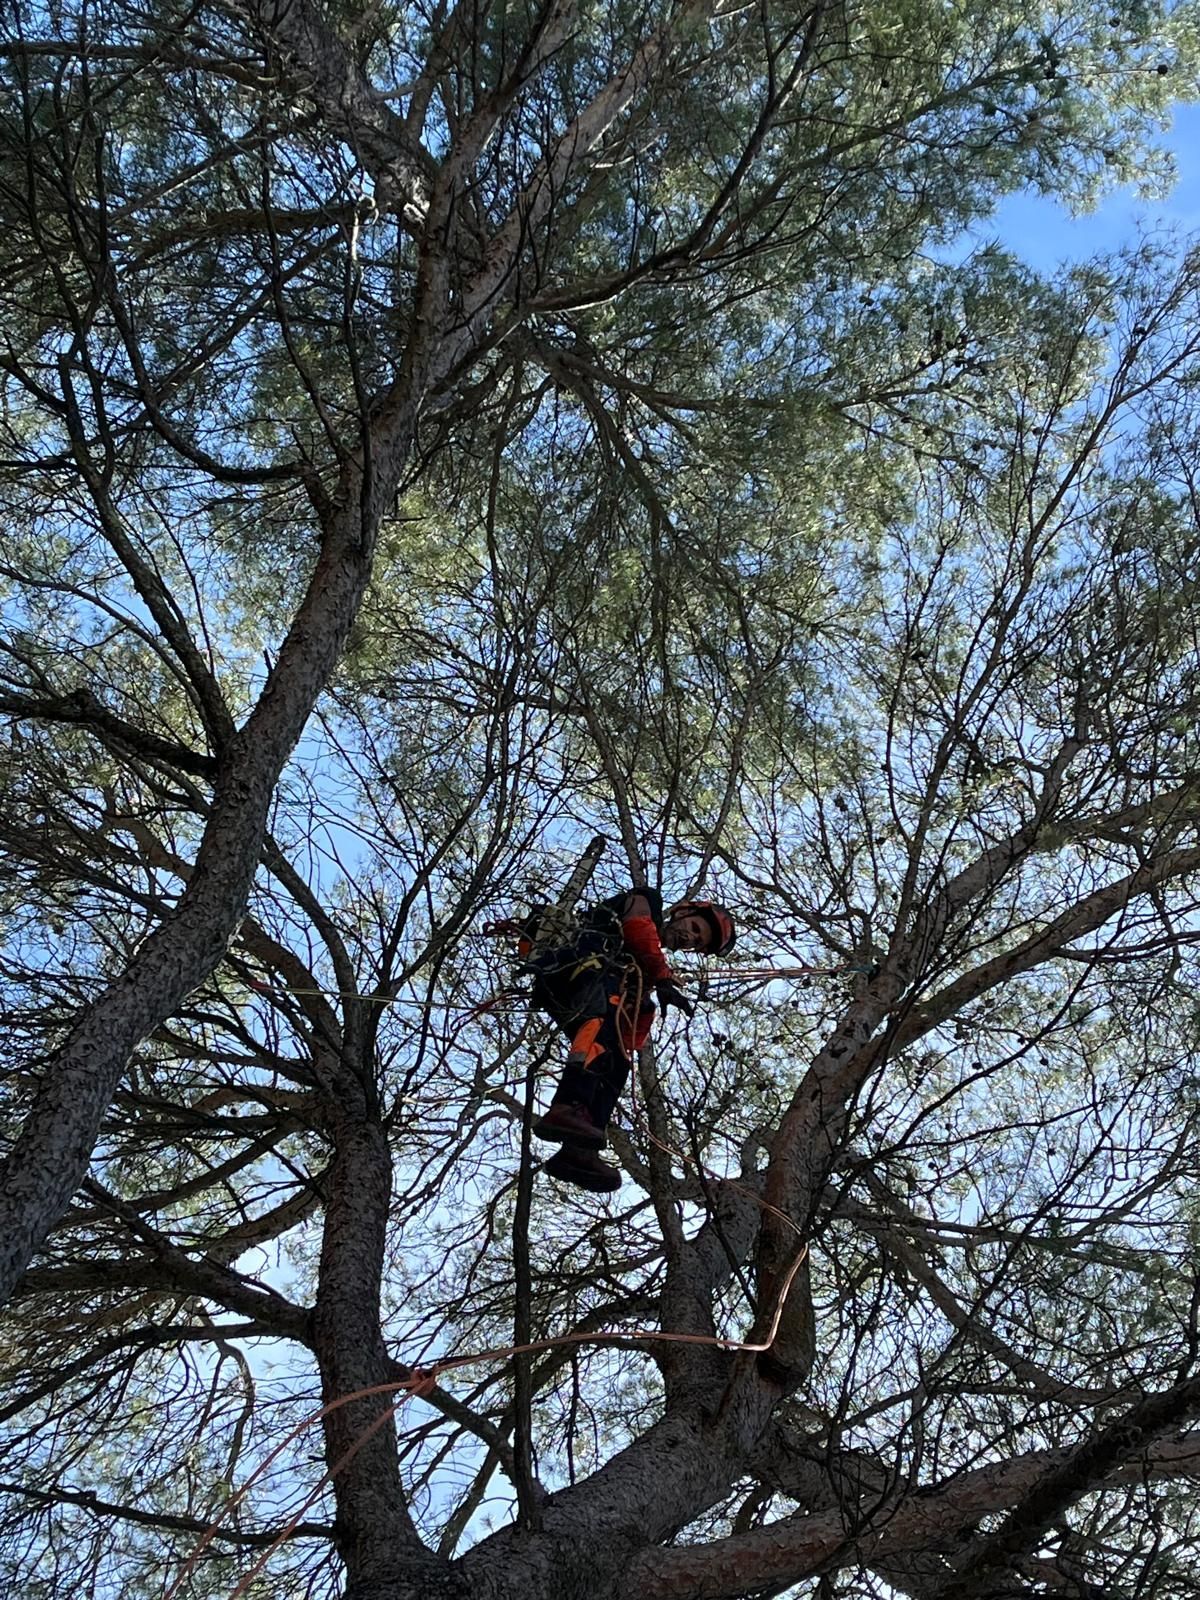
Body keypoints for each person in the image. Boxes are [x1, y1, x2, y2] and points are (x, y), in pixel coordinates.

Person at [525, 889, 736, 1193]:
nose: (690, 939)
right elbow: (637, 927)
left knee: (618, 1062)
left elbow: (631, 1036)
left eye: (697, 942)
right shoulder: (645, 901)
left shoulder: (641, 966)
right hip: (577, 968)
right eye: (694, 928)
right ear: (681, 911)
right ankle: (568, 1105)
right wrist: (661, 976)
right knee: (602, 1023)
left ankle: (578, 1151)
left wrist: (647, 998)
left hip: (589, 991)